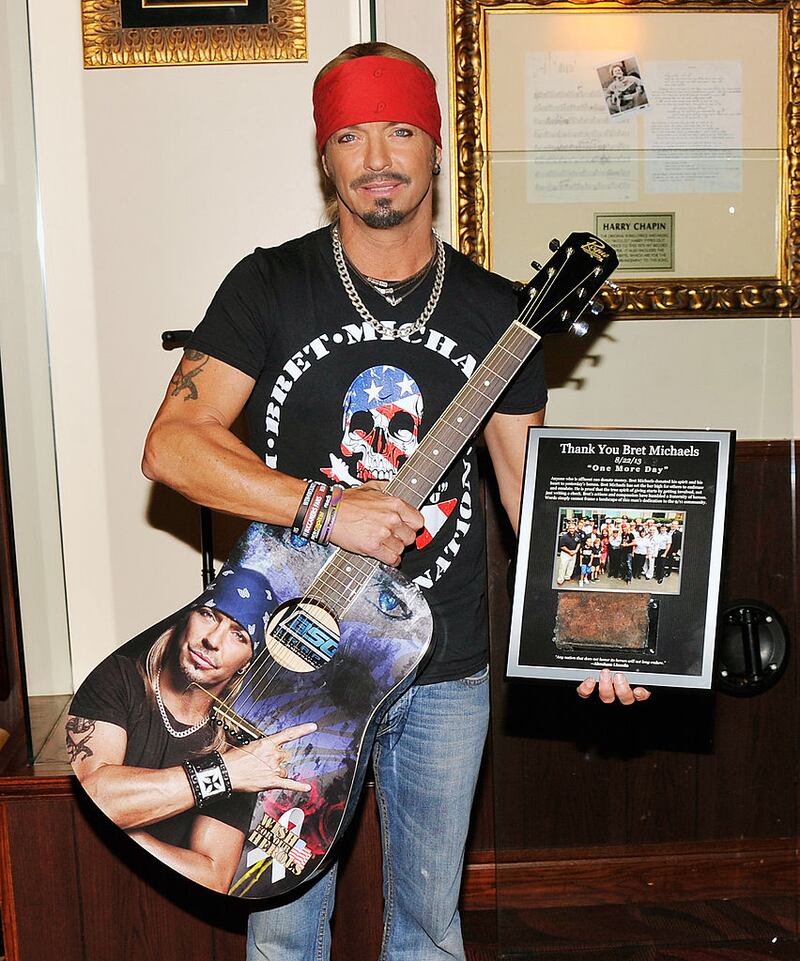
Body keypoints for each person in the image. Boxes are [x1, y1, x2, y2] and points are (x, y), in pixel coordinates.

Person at [140, 41, 649, 961]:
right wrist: (324, 508)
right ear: (325, 155)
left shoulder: (504, 312)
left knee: (427, 927)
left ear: (437, 146)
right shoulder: (270, 285)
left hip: (445, 666)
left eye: (402, 130)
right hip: (293, 660)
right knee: (286, 922)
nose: (378, 156)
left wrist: (597, 626)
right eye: (352, 135)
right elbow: (172, 445)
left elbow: (527, 488)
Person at [66, 564, 317, 894]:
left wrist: (123, 828)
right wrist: (224, 774)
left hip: (168, 910)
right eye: (208, 615)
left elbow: (212, 876)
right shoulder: (117, 679)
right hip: (77, 877)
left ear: (248, 662)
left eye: (238, 635)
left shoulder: (239, 747)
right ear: (186, 617)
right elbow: (95, 800)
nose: (212, 640)